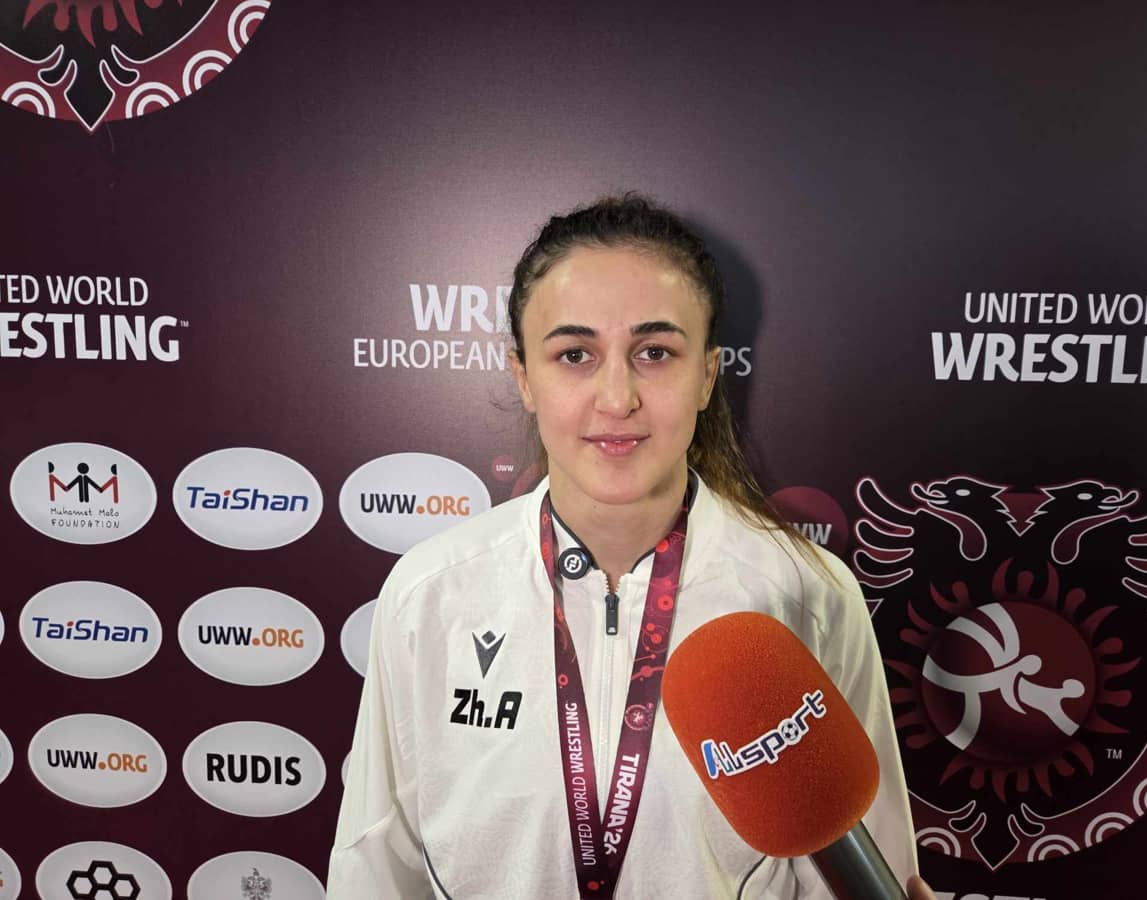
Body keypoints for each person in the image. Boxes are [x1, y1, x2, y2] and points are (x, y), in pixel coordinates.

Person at [329, 195, 936, 899]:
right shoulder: (430, 592)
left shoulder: (807, 594)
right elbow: (376, 866)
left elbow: (858, 870)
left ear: (707, 375)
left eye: (655, 353)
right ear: (524, 378)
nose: (617, 398)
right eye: (574, 355)